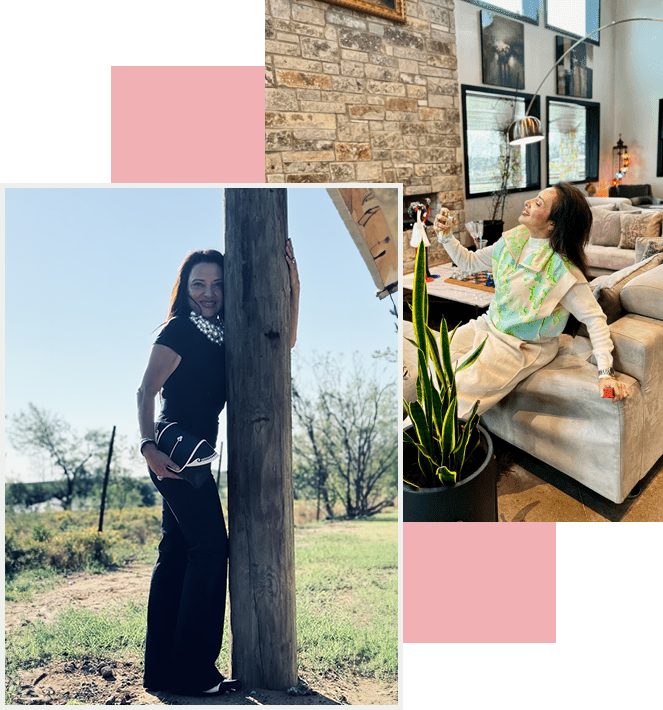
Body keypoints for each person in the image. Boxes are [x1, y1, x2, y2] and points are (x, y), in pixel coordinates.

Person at [136, 241, 300, 696]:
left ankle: (163, 672)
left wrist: (292, 283)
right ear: (184, 289)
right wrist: (148, 446)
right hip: (174, 451)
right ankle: (192, 671)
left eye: (217, 284)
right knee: (210, 551)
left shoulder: (228, 331)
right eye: (198, 284)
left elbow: (281, 341)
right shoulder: (180, 329)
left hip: (195, 453)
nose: (208, 293)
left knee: (175, 554)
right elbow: (145, 391)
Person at [422, 181, 629, 420]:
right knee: (434, 354)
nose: (527, 203)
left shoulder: (564, 273)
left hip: (521, 347)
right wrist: (446, 237)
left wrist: (606, 373)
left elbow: (594, 319)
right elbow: (469, 262)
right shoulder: (515, 240)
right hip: (489, 324)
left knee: (459, 389)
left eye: (538, 203)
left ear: (552, 224)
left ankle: (436, 443)